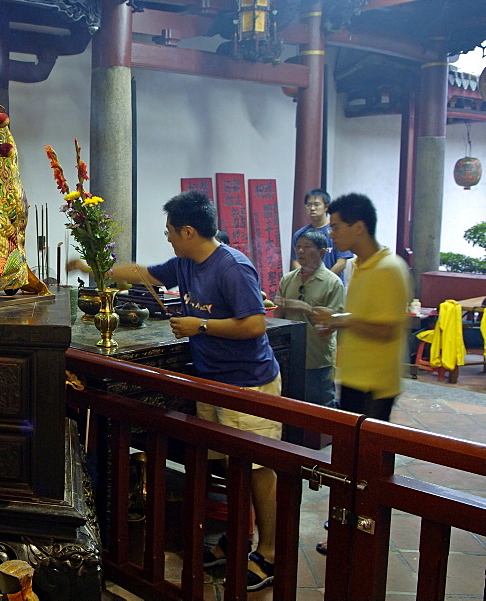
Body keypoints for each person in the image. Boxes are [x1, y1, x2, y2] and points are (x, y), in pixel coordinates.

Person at [68, 190, 280, 592]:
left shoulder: (232, 268)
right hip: (211, 382)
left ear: (188, 230)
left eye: (169, 231)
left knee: (258, 471)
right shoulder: (185, 263)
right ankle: (239, 542)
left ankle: (268, 553)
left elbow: (255, 325)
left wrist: (199, 326)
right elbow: (144, 273)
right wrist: (95, 266)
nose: (166, 237)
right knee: (232, 469)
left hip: (248, 383)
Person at [312, 193, 411, 420]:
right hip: (353, 377)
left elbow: (388, 330)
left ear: (358, 227)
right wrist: (336, 318)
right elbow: (365, 317)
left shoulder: (389, 268)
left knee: (368, 452)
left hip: (374, 385)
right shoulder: (359, 264)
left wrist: (341, 320)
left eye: (335, 227)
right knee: (350, 451)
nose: (331, 234)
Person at [274, 229, 345, 408]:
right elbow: (279, 315)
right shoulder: (288, 280)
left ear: (321, 252)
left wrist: (305, 308)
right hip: (290, 355)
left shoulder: (332, 283)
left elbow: (334, 322)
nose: (300, 251)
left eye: (307, 247)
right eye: (298, 247)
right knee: (292, 404)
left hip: (317, 357)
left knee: (321, 405)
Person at [290, 188, 354, 281]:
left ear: (326, 207)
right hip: (306, 286)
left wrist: (322, 281)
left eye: (316, 204)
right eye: (309, 205)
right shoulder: (300, 234)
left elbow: (341, 263)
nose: (312, 208)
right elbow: (295, 261)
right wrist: (306, 279)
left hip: (332, 285)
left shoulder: (337, 231)